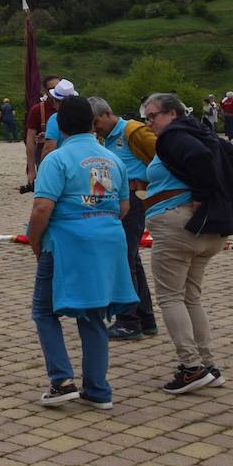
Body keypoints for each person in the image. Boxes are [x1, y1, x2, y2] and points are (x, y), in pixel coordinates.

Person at [26, 95, 136, 409]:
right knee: (93, 315)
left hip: (65, 243)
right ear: (92, 122)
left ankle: (61, 380)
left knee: (45, 311)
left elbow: (42, 208)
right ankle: (98, 390)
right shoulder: (112, 159)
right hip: (107, 240)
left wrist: (34, 239)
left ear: (59, 126)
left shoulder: (56, 159)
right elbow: (124, 206)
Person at [142, 92, 233, 394]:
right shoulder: (202, 133)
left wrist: (203, 195)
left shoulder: (173, 136)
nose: (149, 122)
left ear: (172, 114)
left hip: (178, 227)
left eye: (153, 116)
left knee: (170, 297)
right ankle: (208, 365)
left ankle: (191, 367)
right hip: (203, 230)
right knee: (191, 297)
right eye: (146, 117)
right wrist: (218, 190)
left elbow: (201, 160)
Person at [89, 97, 158, 342]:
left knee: (124, 258)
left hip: (135, 198)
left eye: (97, 122)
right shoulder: (106, 138)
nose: (95, 128)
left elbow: (163, 155)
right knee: (132, 258)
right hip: (121, 198)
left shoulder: (132, 131)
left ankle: (129, 322)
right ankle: (145, 318)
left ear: (107, 113)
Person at [23, 76, 63, 192]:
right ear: (45, 91)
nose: (56, 91)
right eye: (52, 89)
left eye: (58, 87)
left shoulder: (73, 108)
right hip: (46, 158)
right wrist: (31, 170)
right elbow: (30, 140)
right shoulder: (37, 110)